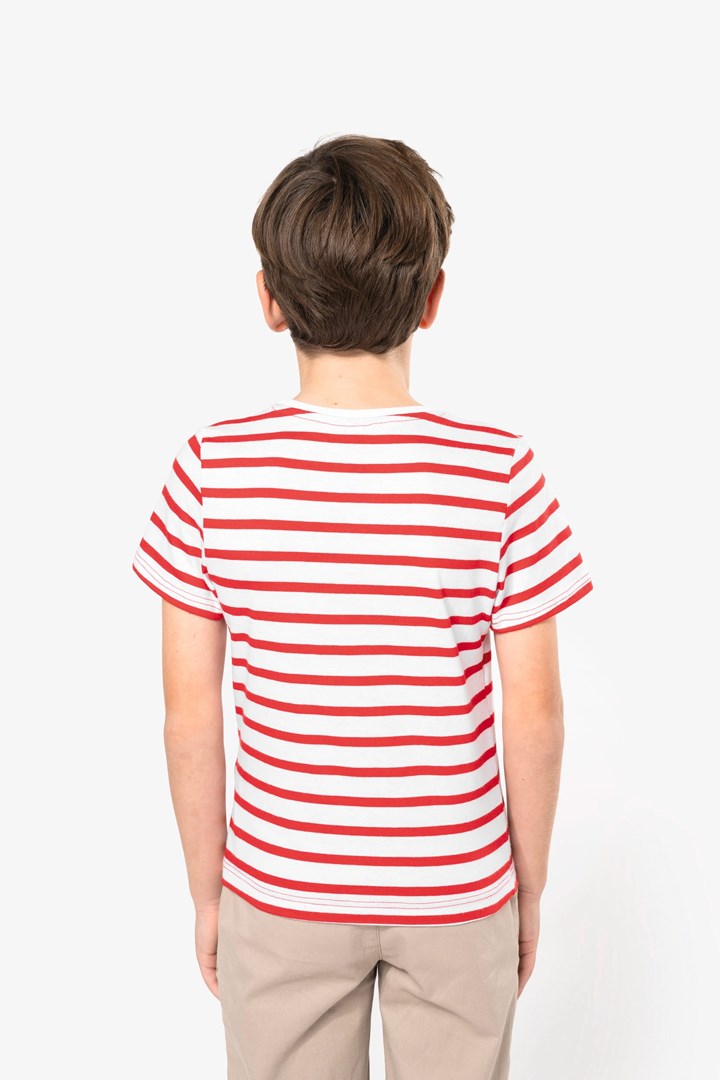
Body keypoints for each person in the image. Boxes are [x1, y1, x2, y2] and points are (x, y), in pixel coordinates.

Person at [131, 134, 593, 1080]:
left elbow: (189, 715)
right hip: (456, 884)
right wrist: (526, 887)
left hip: (282, 884)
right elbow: (536, 715)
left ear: (268, 299)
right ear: (432, 298)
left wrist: (209, 894)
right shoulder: (499, 472)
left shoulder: (211, 470)